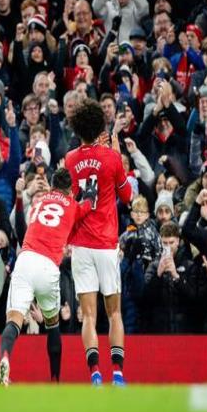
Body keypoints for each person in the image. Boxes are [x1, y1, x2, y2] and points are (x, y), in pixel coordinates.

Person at [0, 168, 94, 385]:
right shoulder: (72, 206)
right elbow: (89, 203)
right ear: (70, 190)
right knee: (52, 326)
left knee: (13, 321)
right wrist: (90, 189)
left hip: (26, 259)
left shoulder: (39, 203)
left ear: (51, 186)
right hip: (49, 266)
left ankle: (5, 358)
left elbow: (21, 227)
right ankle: (55, 380)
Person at [65, 98, 133, 385]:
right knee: (114, 313)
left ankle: (95, 374)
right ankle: (117, 374)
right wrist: (115, 154)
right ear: (99, 126)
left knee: (89, 316)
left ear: (77, 128)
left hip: (81, 245)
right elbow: (127, 196)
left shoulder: (70, 159)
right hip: (106, 244)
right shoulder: (111, 158)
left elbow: (70, 199)